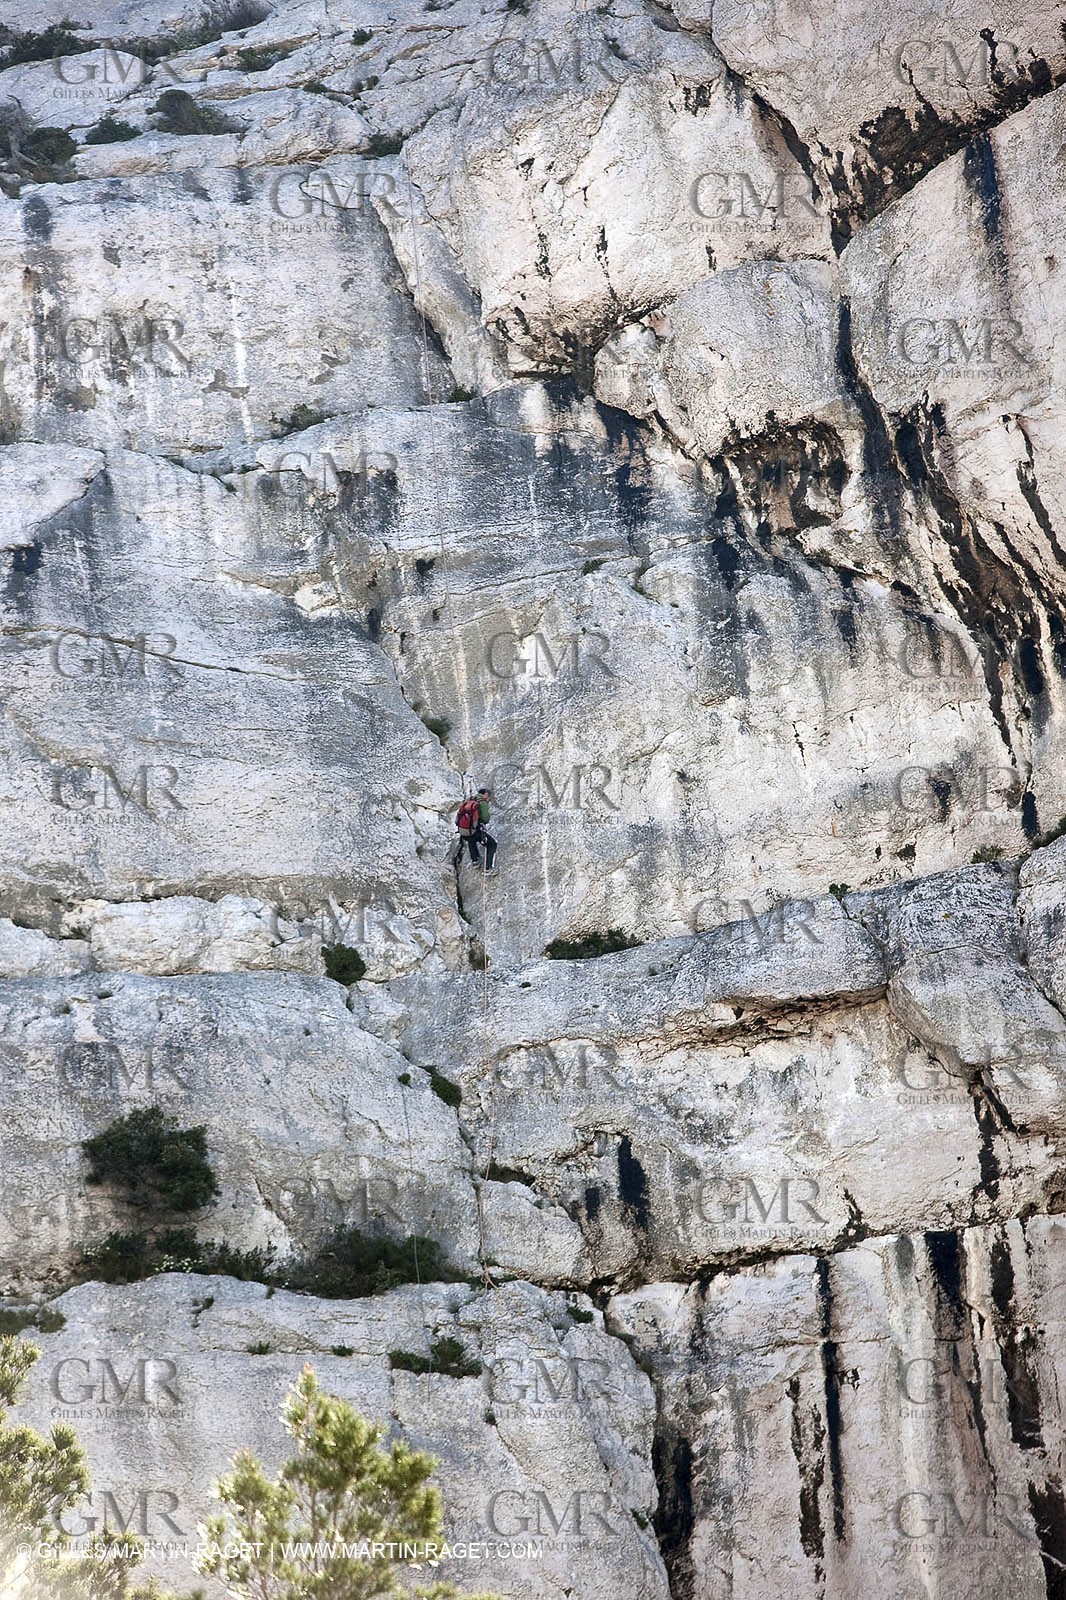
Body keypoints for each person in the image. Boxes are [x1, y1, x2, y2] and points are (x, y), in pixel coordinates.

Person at [456, 787, 497, 873]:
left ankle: (475, 861)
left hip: (464, 830)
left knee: (471, 841)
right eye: (489, 797)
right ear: (485, 794)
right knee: (492, 844)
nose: (489, 799)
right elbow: (485, 819)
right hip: (475, 829)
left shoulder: (470, 800)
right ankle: (488, 868)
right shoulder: (482, 803)